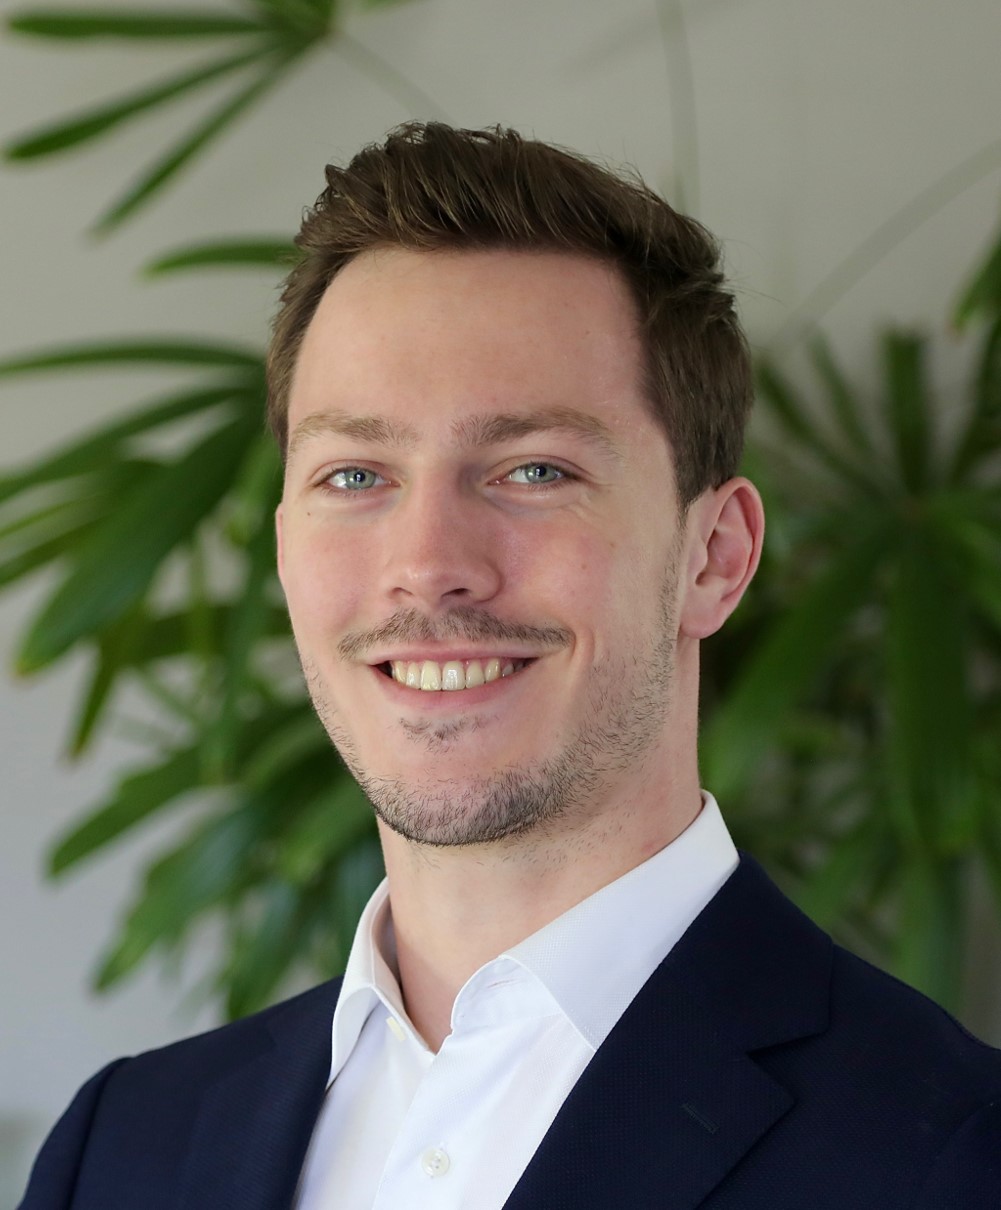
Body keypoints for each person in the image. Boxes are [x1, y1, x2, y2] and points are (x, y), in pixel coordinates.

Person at [19, 122, 1001, 1210]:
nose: (427, 566)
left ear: (713, 558)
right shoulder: (119, 1147)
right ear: (285, 545)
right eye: (355, 475)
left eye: (533, 470)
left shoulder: (954, 1155)